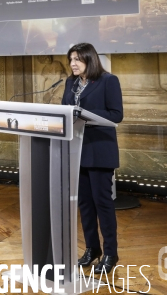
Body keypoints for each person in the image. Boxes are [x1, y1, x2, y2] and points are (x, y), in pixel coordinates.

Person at [61, 43, 123, 274]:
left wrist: (85, 115)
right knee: (85, 204)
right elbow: (64, 111)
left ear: (90, 59)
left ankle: (110, 253)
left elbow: (116, 114)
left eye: (77, 59)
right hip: (76, 150)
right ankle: (92, 249)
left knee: (102, 203)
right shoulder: (71, 83)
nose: (73, 64)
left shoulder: (108, 81)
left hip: (99, 151)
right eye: (71, 60)